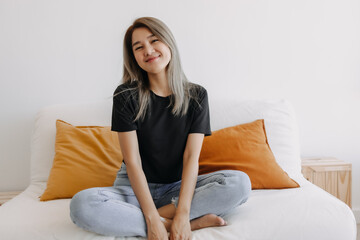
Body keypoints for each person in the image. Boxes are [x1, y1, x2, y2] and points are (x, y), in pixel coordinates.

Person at [69, 17, 251, 240]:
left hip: (178, 189)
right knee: (82, 206)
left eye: (154, 40)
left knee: (239, 183)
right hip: (134, 189)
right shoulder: (126, 95)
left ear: (168, 43)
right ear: (134, 57)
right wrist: (152, 219)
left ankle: (171, 221)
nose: (148, 50)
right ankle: (182, 223)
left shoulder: (197, 96)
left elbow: (191, 157)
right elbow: (133, 161)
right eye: (139, 47)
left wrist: (183, 213)